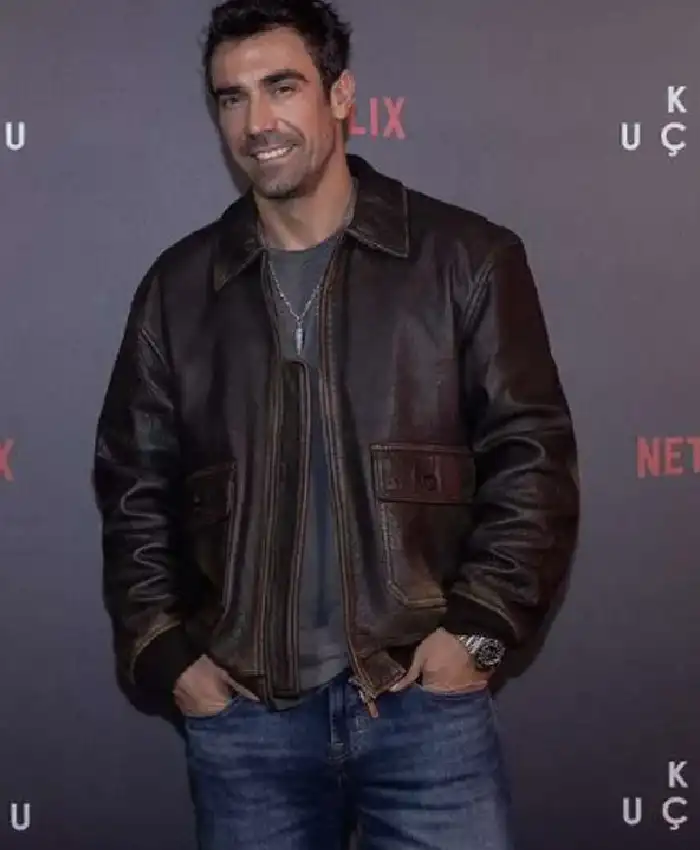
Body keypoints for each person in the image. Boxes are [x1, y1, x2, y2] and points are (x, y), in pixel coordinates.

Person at [93, 1, 579, 848]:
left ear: (341, 95)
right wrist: (169, 654)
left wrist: (476, 633)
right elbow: (134, 485)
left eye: (282, 87)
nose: (257, 121)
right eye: (233, 97)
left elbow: (532, 460)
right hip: (246, 721)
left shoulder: (464, 259)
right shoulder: (178, 289)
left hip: (423, 706)